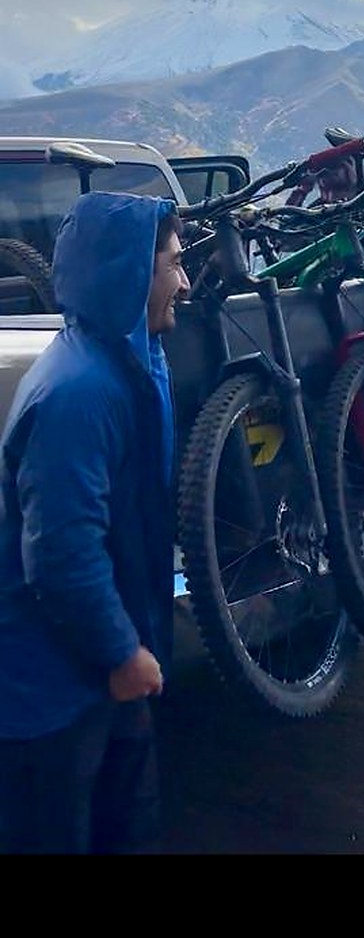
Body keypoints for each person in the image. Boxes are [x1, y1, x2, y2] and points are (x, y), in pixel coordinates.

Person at [0, 190, 190, 854]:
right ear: (131, 272)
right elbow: (61, 549)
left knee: (129, 825)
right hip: (46, 689)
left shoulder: (127, 363)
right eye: (172, 263)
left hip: (95, 667)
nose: (185, 281)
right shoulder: (79, 393)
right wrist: (120, 650)